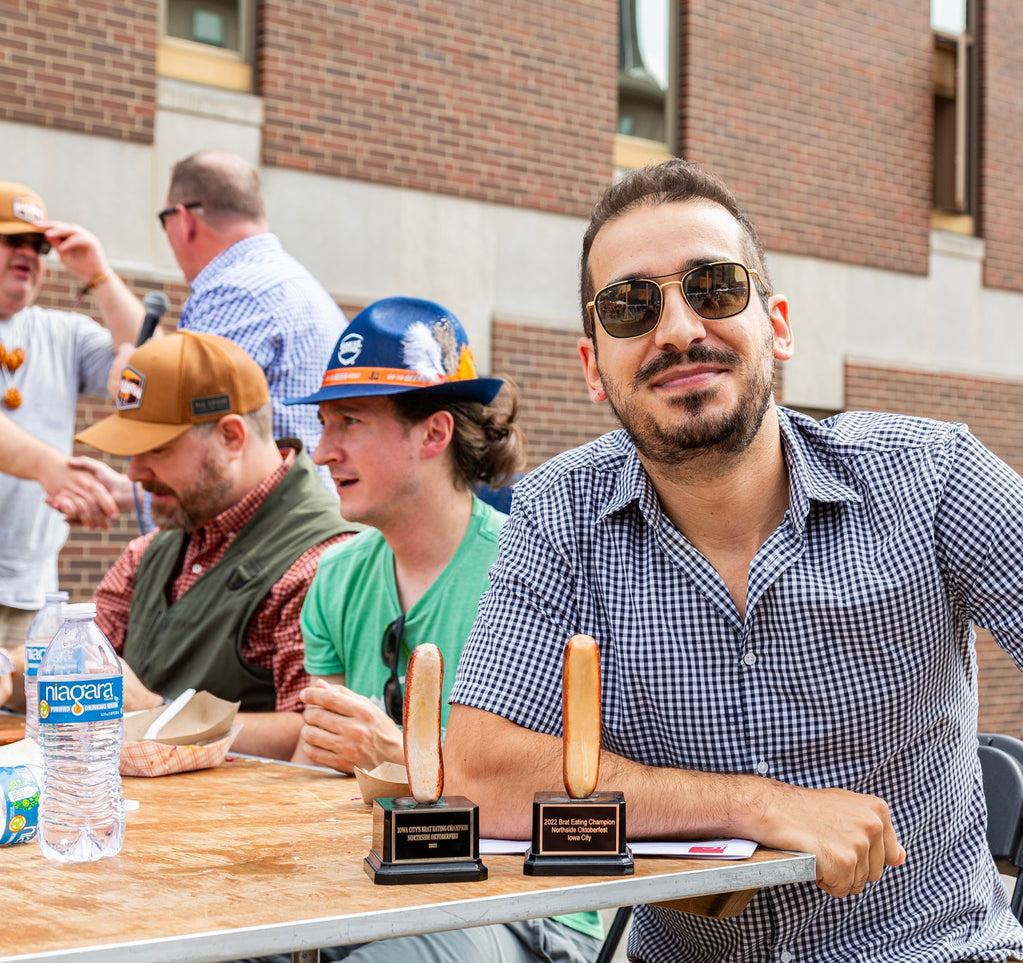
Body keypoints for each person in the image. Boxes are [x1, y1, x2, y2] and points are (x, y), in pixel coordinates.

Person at [443, 161, 1023, 962]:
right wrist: (754, 807)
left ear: (779, 325)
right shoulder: (559, 511)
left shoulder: (932, 477)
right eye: (629, 306)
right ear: (593, 367)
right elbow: (480, 775)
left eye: (715, 287)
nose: (680, 328)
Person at [283, 296, 602, 963]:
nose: (321, 451)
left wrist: (399, 752)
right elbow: (318, 775)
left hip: (524, 898)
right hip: (376, 878)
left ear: (432, 435)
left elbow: (561, 791)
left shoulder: (528, 571)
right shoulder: (335, 576)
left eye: (348, 422)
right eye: (322, 423)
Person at [77, 331, 357, 759]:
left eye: (156, 449)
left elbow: (314, 731)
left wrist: (157, 716)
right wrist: (10, 667)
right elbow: (81, 653)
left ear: (231, 437)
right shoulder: (152, 548)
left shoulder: (321, 557)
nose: (133, 473)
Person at [0, 180, 139, 678]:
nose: (29, 254)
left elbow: (149, 369)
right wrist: (53, 469)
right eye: (12, 240)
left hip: (33, 597)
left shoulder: (62, 333)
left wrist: (98, 274)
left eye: (38, 246)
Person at [152, 149, 347, 459]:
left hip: (266, 508)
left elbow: (192, 436)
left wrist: (132, 382)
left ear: (184, 219)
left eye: (164, 220)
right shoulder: (297, 285)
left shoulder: (234, 292)